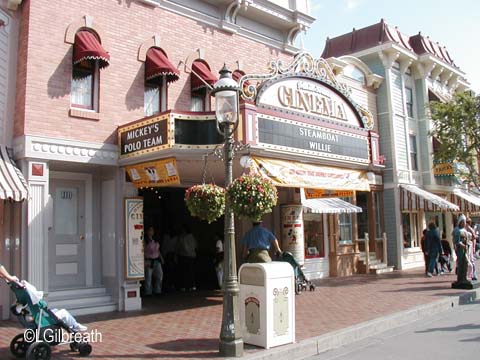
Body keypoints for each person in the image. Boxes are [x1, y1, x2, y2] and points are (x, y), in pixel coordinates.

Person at [143, 226, 164, 296]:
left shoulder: (156, 240)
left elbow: (158, 250)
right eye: (150, 230)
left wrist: (161, 258)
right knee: (148, 277)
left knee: (160, 275)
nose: (151, 232)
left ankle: (157, 290)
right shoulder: (144, 240)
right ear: (147, 231)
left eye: (152, 230)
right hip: (148, 260)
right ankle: (148, 292)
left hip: (157, 260)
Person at [176, 225, 198, 291]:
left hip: (184, 256)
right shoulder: (193, 237)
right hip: (192, 256)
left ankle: (184, 286)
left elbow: (180, 246)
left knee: (184, 272)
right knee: (191, 271)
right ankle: (192, 286)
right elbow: (196, 246)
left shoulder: (183, 238)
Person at [453, 214, 470, 285]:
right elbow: (456, 241)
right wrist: (462, 245)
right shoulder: (457, 230)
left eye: (465, 222)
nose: (464, 223)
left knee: (466, 263)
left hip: (465, 249)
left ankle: (464, 277)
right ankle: (460, 279)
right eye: (463, 222)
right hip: (460, 250)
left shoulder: (464, 230)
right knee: (461, 263)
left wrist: (468, 243)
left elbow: (467, 239)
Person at [162, 226, 178, 292]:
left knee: (172, 271)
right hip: (167, 256)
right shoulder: (166, 237)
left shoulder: (176, 238)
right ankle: (168, 285)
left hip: (172, 255)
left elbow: (176, 248)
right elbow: (164, 247)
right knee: (167, 271)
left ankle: (172, 285)